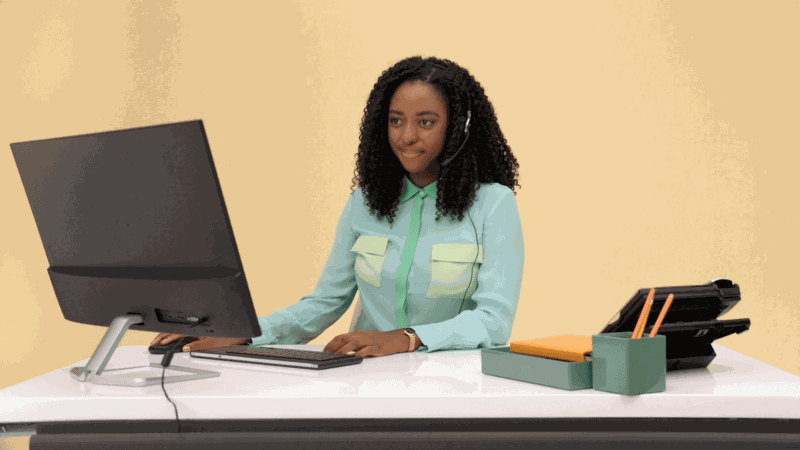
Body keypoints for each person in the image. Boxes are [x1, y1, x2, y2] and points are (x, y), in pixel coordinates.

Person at [151, 56, 524, 357]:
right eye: (396, 121)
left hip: (457, 389)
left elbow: (494, 320)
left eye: (426, 122)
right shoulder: (365, 202)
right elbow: (325, 302)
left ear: (458, 128)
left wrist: (405, 338)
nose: (408, 136)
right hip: (367, 382)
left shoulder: (493, 205)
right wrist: (245, 334)